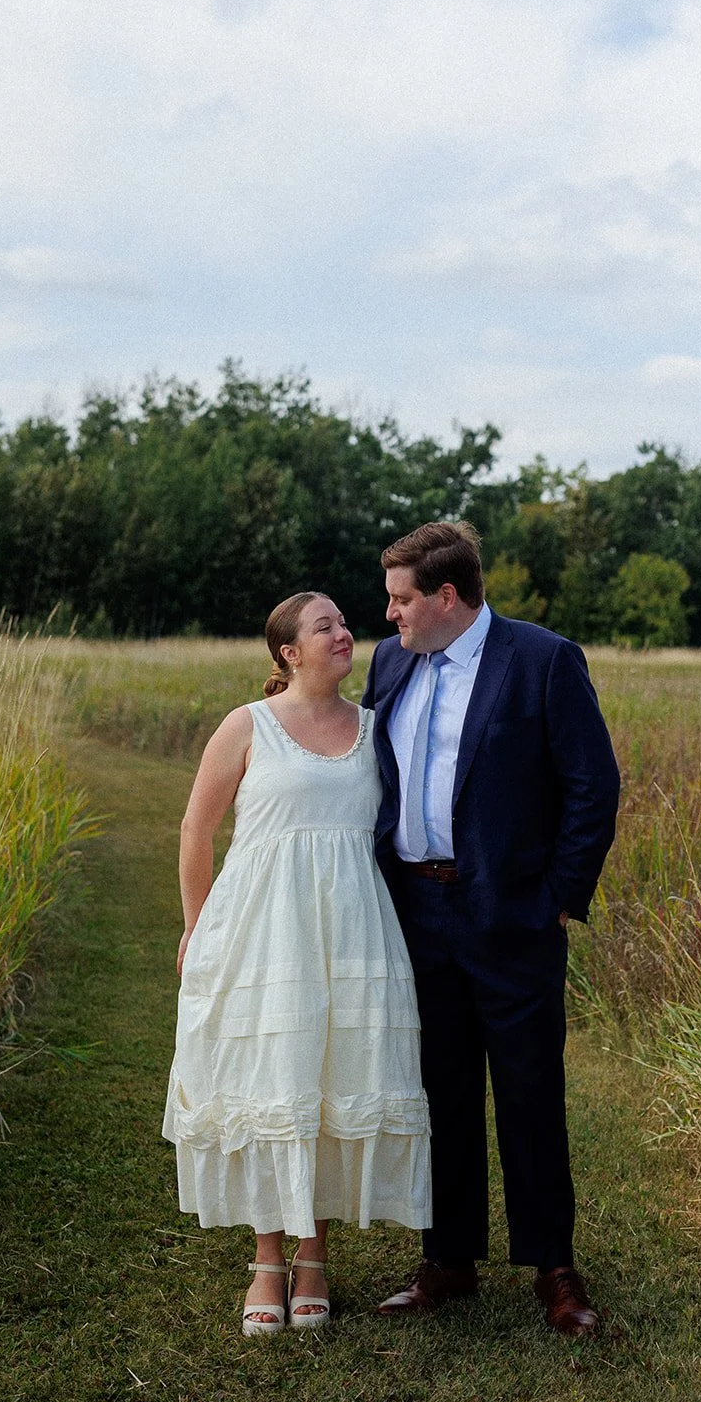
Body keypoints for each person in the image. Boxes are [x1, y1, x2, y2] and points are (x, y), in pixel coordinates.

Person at [362, 523, 620, 1334]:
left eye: (401, 598)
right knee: (437, 1090)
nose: (389, 612)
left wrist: (554, 897)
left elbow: (592, 787)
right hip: (415, 911)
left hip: (512, 916)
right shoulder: (388, 660)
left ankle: (554, 1269)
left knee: (529, 1093)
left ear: (447, 596)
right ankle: (448, 1261)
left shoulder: (542, 659)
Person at [162, 592, 431, 1335]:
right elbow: (196, 828)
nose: (345, 634)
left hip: (351, 928)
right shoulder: (246, 724)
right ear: (288, 652)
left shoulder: (376, 729)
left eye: (345, 624)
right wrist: (195, 925)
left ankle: (314, 1255)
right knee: (269, 1078)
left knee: (332, 1072)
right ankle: (267, 1260)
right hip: (261, 927)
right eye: (326, 627)